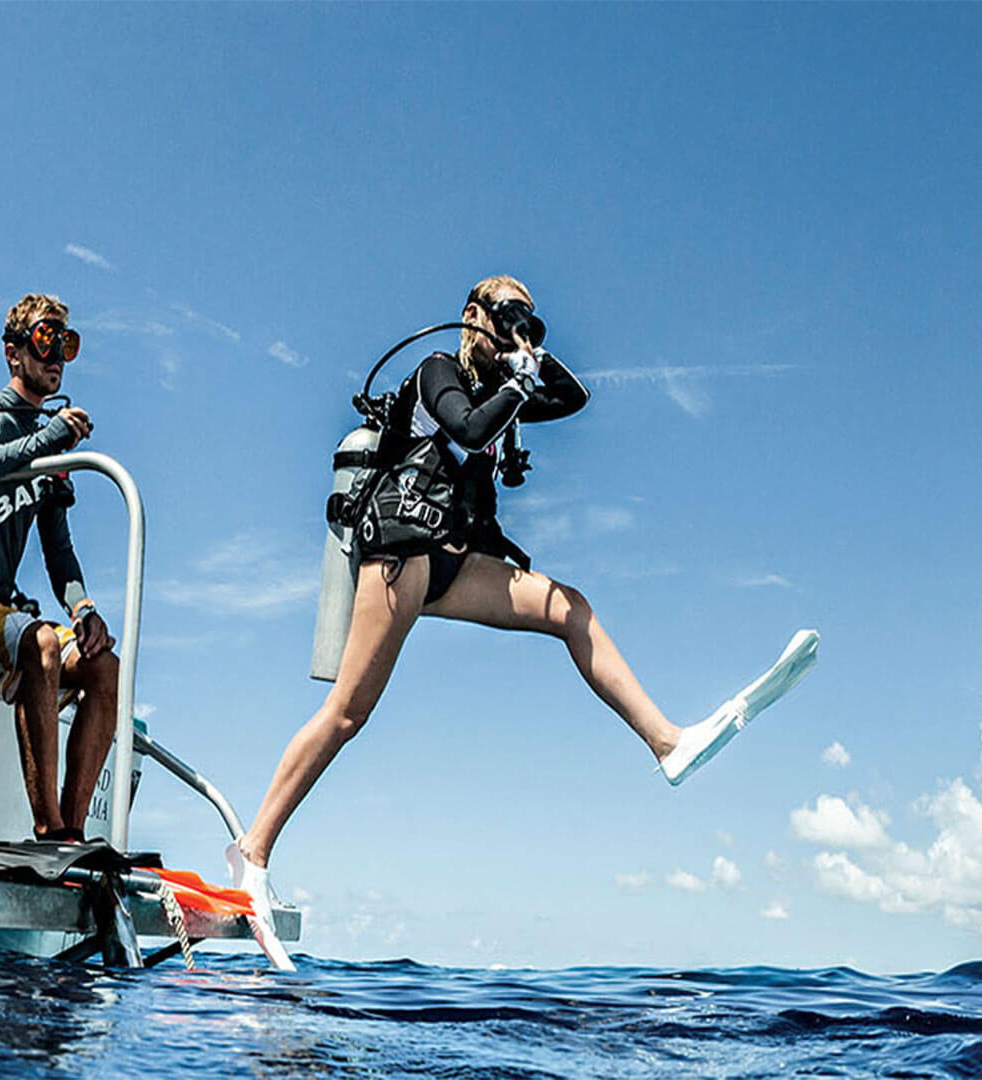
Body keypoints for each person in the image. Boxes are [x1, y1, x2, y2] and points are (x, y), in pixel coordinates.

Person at [230, 274, 687, 967]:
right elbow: (469, 427)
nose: (515, 330)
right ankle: (253, 852)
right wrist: (507, 365)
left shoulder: (510, 383)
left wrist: (523, 353)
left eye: (528, 320)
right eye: (504, 316)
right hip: (401, 553)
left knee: (571, 608)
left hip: (456, 563)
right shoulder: (435, 371)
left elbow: (574, 397)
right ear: (472, 316)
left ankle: (666, 742)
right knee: (347, 713)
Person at [0, 294, 121, 852]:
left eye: (66, 343)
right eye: (44, 340)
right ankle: (49, 829)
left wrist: (83, 608)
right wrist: (48, 439)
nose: (56, 355)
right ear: (13, 353)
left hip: (3, 611)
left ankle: (74, 833)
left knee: (103, 663)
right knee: (38, 641)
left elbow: (58, 551)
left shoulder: (51, 448)